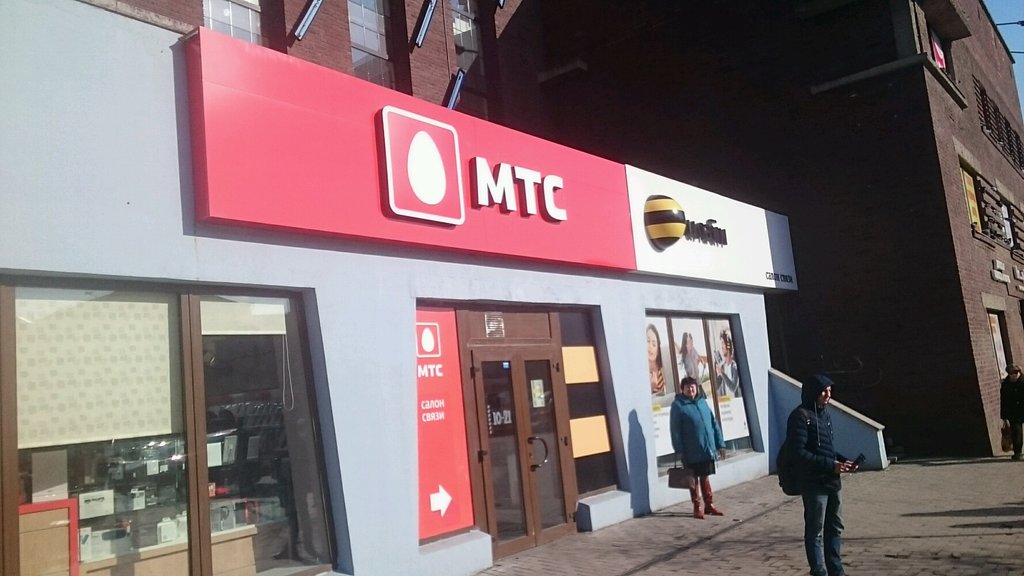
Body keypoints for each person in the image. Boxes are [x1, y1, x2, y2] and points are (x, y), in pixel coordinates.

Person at [787, 374, 858, 576]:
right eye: (824, 391)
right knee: (815, 530)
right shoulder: (800, 417)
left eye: (829, 391)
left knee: (835, 526)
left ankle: (836, 570)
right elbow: (798, 453)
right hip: (813, 483)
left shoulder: (824, 415)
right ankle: (818, 571)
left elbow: (826, 449)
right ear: (813, 392)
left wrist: (843, 461)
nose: (828, 395)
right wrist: (831, 465)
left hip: (832, 481)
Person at [670, 376, 726, 519]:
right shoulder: (678, 406)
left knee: (705, 476)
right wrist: (679, 450)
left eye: (692, 387)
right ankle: (697, 507)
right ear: (682, 390)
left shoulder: (702, 402)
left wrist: (720, 443)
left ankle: (709, 505)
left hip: (706, 448)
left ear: (696, 388)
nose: (690, 389)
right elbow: (675, 430)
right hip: (691, 450)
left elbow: (713, 423)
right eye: (687, 387)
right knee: (693, 479)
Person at [1001, 364, 1024, 460]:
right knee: (1016, 432)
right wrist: (1003, 416)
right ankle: (1017, 452)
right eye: (1012, 373)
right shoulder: (1005, 385)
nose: (1014, 375)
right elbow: (1003, 401)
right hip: (1013, 412)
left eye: (1016, 372)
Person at [713, 329, 741, 398]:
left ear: (728, 345)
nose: (721, 347)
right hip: (726, 403)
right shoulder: (722, 366)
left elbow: (733, 388)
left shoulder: (735, 367)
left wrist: (722, 373)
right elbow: (716, 387)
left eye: (723, 343)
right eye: (721, 344)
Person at [646, 324, 666, 395]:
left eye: (654, 344)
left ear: (658, 349)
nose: (650, 347)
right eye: (648, 341)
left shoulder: (663, 368)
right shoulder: (641, 371)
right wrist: (651, 387)